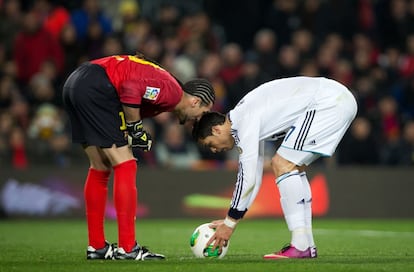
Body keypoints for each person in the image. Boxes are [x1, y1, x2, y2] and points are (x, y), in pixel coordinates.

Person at [62, 53, 215, 260]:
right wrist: (136, 128)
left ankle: (97, 246)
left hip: (76, 83)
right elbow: (130, 88)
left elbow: (128, 93)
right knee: (126, 164)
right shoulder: (172, 93)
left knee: (100, 166)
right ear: (195, 101)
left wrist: (132, 129)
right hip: (97, 86)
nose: (198, 120)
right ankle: (127, 247)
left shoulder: (166, 93)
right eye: (203, 113)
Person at [192, 76, 357, 259]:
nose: (214, 150)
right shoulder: (245, 118)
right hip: (335, 99)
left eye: (210, 144)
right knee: (292, 167)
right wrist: (230, 220)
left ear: (216, 130)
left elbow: (248, 178)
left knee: (281, 163)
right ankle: (306, 244)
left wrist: (230, 223)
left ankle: (301, 245)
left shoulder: (243, 121)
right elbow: (253, 177)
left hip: (328, 101)